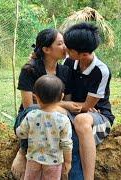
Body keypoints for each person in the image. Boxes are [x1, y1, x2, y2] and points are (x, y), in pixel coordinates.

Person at [11, 28, 81, 179]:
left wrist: (63, 105)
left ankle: (72, 174)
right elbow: (29, 105)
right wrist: (64, 105)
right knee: (34, 113)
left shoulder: (65, 71)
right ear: (46, 49)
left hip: (55, 114)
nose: (65, 48)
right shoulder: (29, 69)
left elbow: (66, 101)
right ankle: (22, 152)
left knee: (72, 134)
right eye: (60, 44)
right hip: (31, 113)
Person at [63, 22, 114, 180]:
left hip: (99, 116)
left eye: (69, 49)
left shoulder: (101, 71)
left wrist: (80, 108)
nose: (65, 50)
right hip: (74, 111)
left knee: (82, 120)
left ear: (83, 54)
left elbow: (87, 107)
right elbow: (68, 96)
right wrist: (72, 106)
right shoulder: (69, 62)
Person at [16, 75, 72, 180]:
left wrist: (19, 130)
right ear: (61, 97)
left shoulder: (31, 115)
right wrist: (68, 162)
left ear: (36, 97)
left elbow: (21, 133)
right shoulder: (63, 120)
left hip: (33, 158)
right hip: (54, 162)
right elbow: (67, 144)